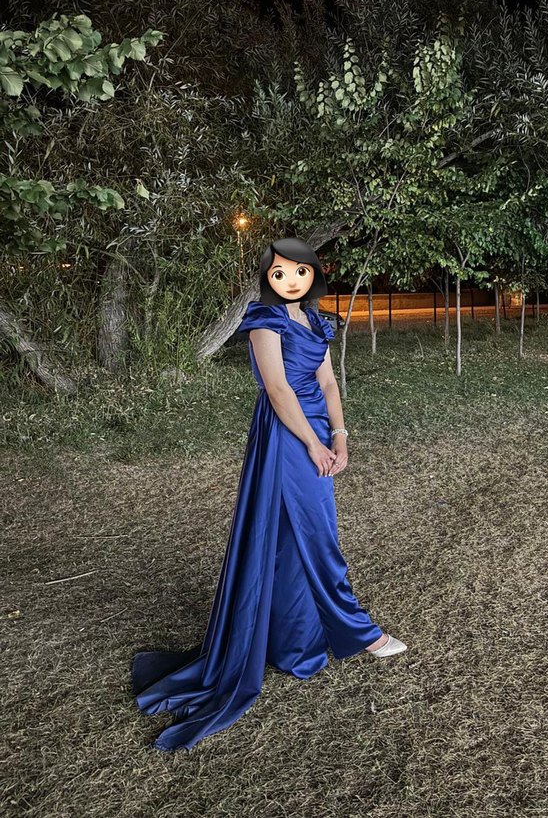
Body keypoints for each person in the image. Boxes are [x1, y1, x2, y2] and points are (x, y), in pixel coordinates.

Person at [130, 237, 406, 752]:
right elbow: (278, 390)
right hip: (285, 436)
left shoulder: (317, 320)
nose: (290, 281)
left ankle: (295, 644)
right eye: (278, 274)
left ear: (313, 274)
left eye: (299, 271)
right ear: (267, 279)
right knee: (319, 535)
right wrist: (312, 444)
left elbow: (328, 383)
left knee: (288, 539)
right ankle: (360, 631)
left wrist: (339, 436)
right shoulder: (265, 320)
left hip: (318, 430)